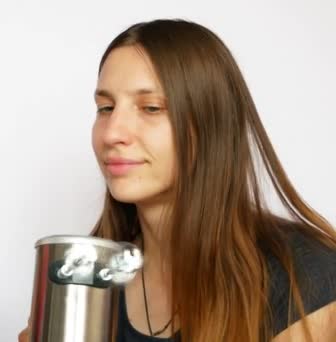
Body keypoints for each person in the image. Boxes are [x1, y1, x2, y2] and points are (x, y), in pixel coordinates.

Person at [19, 19, 336, 342]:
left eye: (151, 108)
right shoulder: (86, 278)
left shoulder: (306, 277)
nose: (113, 133)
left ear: (211, 125)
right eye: (106, 107)